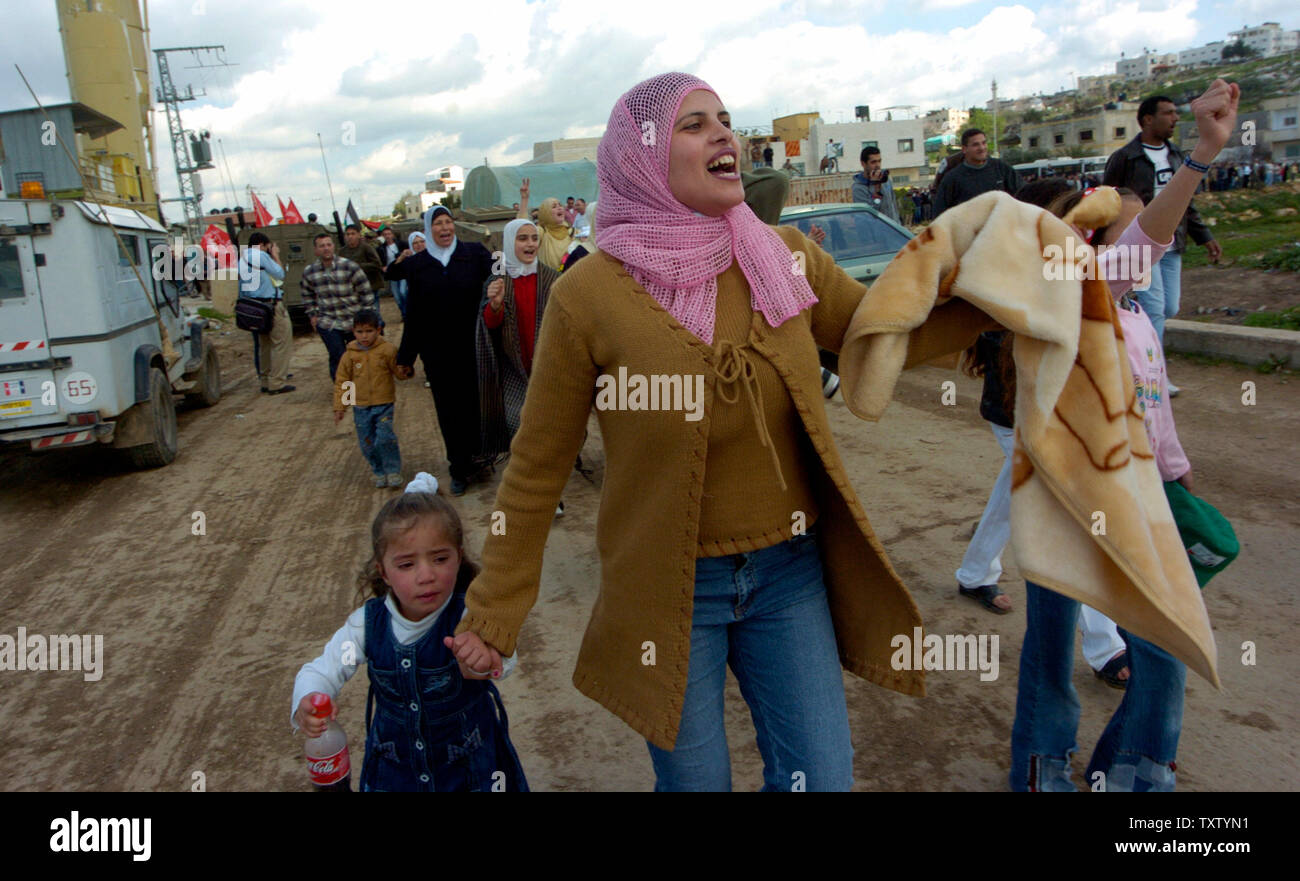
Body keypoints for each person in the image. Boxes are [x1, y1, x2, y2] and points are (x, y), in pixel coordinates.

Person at [449, 72, 989, 791]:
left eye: (726, 120)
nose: (724, 133)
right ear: (640, 161)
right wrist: (491, 609)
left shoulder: (785, 255)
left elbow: (883, 334)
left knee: (821, 779)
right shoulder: (588, 295)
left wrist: (1011, 293)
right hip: (667, 590)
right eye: (695, 123)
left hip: (787, 574)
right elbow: (537, 465)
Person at [1010, 77, 1238, 793]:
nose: (1148, 238)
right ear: (1093, 242)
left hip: (1143, 487)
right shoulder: (1077, 295)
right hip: (1064, 490)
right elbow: (1147, 243)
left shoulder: (1135, 313)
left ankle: (1137, 768)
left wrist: (1175, 466)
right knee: (1051, 634)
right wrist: (1203, 153)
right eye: (1128, 225)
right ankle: (1043, 762)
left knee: (1164, 636)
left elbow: (1155, 404)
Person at [290, 475, 528, 792]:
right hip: (395, 773)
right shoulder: (366, 626)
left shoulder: (470, 615)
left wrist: (488, 660)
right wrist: (309, 698)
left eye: (440, 559)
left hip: (471, 772)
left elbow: (506, 658)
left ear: (459, 556)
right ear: (383, 571)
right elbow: (323, 669)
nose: (426, 576)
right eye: (406, 565)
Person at [1103, 94, 1220, 365]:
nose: (1175, 119)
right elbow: (1106, 199)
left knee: (1170, 306)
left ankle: (1131, 343)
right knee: (1154, 306)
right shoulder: (1125, 158)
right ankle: (1152, 368)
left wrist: (1204, 237)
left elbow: (1185, 202)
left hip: (1173, 240)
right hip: (1139, 241)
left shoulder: (1178, 156)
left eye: (1175, 113)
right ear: (1147, 119)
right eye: (1168, 113)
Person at [388, 205, 494, 496]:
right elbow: (415, 315)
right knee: (449, 411)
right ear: (428, 229)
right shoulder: (418, 264)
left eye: (448, 222)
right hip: (438, 354)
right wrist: (406, 357)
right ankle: (458, 468)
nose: (445, 228)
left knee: (475, 405)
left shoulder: (475, 255)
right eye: (438, 224)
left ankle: (479, 460)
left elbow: (501, 278)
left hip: (473, 346)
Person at [333, 309, 409, 488]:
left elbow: (398, 372)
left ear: (378, 329)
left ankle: (392, 470)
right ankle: (378, 470)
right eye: (360, 332)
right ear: (353, 332)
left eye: (369, 331)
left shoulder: (388, 350)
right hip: (360, 407)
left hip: (384, 404)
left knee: (384, 437)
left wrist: (405, 370)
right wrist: (341, 406)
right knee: (367, 442)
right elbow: (344, 381)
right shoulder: (349, 355)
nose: (364, 336)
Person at [301, 233, 376, 380]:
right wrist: (313, 315)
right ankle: (345, 394)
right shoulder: (310, 272)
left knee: (359, 356)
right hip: (329, 322)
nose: (326, 249)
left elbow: (365, 291)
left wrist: (368, 316)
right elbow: (306, 294)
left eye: (329, 245)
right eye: (322, 246)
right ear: (316, 250)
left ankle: (362, 387)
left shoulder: (349, 266)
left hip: (353, 321)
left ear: (333, 246)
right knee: (338, 356)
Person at [239, 231, 293, 394]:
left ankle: (265, 380)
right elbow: (280, 274)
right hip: (270, 305)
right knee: (280, 343)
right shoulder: (261, 256)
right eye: (269, 246)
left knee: (264, 345)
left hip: (254, 307)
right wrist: (275, 255)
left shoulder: (242, 258)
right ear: (263, 244)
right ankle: (277, 382)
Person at [932, 129, 1020, 216]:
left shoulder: (1001, 168)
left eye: (984, 143)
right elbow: (940, 214)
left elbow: (1022, 194)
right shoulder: (952, 178)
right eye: (975, 145)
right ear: (964, 149)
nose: (982, 148)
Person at [851, 145, 900, 223]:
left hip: (892, 230)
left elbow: (893, 205)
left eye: (879, 161)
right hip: (875, 232)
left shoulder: (885, 181)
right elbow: (870, 214)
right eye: (873, 162)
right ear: (863, 164)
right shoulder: (858, 188)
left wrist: (898, 225)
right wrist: (875, 188)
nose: (878, 165)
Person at [339, 224, 385, 294]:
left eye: (353, 234)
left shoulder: (366, 248)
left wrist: (357, 266)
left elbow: (377, 264)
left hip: (370, 285)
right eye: (347, 234)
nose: (350, 236)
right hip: (353, 288)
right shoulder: (342, 251)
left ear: (358, 235)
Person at [376, 227, 409, 320]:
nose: (387, 236)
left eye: (389, 234)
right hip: (392, 274)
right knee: (397, 297)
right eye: (385, 234)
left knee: (403, 292)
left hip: (402, 272)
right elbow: (379, 261)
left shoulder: (402, 244)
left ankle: (407, 313)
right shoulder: (381, 248)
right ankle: (403, 313)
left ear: (392, 235)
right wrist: (382, 267)